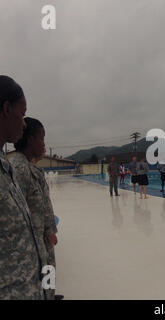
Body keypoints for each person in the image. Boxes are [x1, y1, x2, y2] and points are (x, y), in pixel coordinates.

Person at [0, 75, 44, 299]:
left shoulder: (4, 165)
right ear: (6, 109)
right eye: (22, 113)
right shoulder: (16, 166)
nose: (24, 123)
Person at [10, 117, 61, 300]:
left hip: (43, 240)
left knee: (48, 274)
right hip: (32, 244)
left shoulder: (29, 167)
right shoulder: (18, 169)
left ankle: (50, 295)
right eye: (42, 138)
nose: (44, 144)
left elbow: (42, 205)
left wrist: (49, 230)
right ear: (30, 139)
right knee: (41, 279)